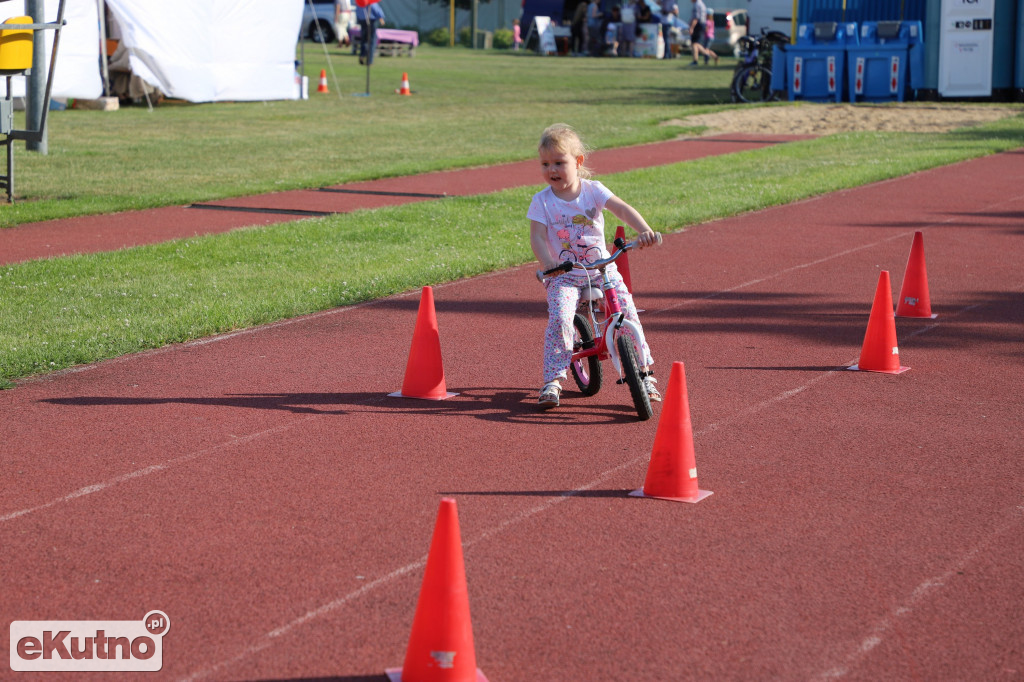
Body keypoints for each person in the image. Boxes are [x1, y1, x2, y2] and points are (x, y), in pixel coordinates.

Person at [528, 123, 662, 409]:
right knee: (561, 318)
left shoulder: (593, 191)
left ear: (578, 162)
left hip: (602, 270)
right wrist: (549, 263)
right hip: (565, 274)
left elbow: (622, 209)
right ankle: (553, 380)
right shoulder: (542, 201)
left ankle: (645, 373)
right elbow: (537, 236)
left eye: (559, 162)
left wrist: (644, 231)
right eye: (545, 164)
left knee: (627, 313)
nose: (552, 170)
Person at [687, 0, 717, 65]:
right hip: (701, 26)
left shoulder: (697, 5)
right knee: (695, 44)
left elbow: (696, 18)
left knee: (695, 44)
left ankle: (703, 56)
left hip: (698, 25)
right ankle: (697, 59)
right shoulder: (701, 4)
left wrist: (691, 27)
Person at [356, 1, 385, 65]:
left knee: (364, 40)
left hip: (362, 21)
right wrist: (381, 18)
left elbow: (357, 12)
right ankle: (369, 60)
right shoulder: (371, 2)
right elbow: (376, 9)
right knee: (372, 41)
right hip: (371, 21)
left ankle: (362, 54)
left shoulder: (359, 2)